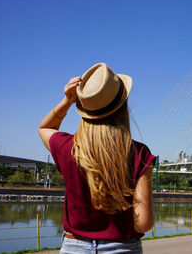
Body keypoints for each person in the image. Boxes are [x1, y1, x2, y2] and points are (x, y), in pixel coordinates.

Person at [38, 63, 155, 253]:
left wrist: (67, 100)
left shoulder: (66, 147)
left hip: (74, 247)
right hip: (123, 248)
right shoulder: (140, 153)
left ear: (83, 109)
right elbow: (143, 223)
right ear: (122, 106)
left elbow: (45, 128)